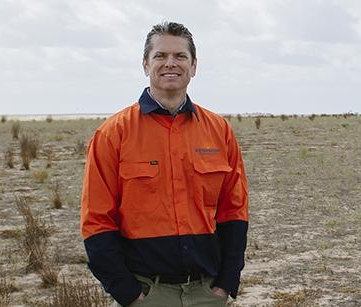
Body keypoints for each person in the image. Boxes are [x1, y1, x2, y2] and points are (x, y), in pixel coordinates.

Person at [80, 21, 249, 307]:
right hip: (146, 293)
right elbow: (96, 222)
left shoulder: (219, 130)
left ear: (194, 66)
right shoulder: (113, 133)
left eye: (180, 56)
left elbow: (234, 212)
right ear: (145, 65)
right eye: (160, 56)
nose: (170, 63)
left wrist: (225, 284)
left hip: (207, 293)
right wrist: (130, 295)